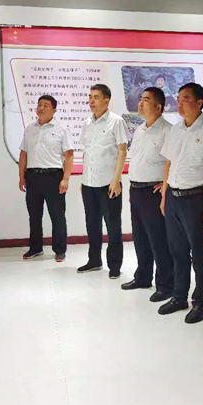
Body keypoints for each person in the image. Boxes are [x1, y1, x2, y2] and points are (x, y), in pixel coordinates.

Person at [158, 83, 203, 324]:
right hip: (173, 198)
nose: (180, 103)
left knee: (198, 253)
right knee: (177, 252)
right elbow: (168, 163)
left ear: (199, 102)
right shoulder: (176, 129)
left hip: (196, 199)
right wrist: (164, 195)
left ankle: (200, 302)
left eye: (185, 99)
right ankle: (179, 297)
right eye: (178, 98)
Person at [121, 87, 175, 302]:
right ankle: (143, 277)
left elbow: (175, 161)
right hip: (136, 189)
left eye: (146, 100)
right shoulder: (140, 129)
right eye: (140, 99)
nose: (140, 103)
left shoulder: (168, 131)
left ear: (158, 106)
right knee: (140, 237)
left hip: (153, 191)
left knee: (158, 239)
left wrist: (166, 185)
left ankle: (165, 285)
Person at [77, 84, 128, 279]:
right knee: (92, 224)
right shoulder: (87, 122)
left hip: (109, 184)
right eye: (90, 96)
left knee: (113, 226)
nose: (91, 100)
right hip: (89, 183)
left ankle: (114, 265)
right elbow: (87, 151)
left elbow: (122, 151)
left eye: (96, 97)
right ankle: (94, 260)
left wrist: (116, 180)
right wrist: (84, 179)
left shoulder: (116, 121)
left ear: (107, 100)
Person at [19, 95, 74, 262]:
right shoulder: (30, 129)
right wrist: (21, 177)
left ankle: (60, 250)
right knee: (34, 215)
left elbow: (69, 155)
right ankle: (35, 248)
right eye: (39, 105)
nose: (41, 108)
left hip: (53, 177)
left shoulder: (62, 129)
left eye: (46, 105)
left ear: (54, 110)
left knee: (57, 215)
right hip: (33, 176)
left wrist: (65, 179)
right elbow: (24, 153)